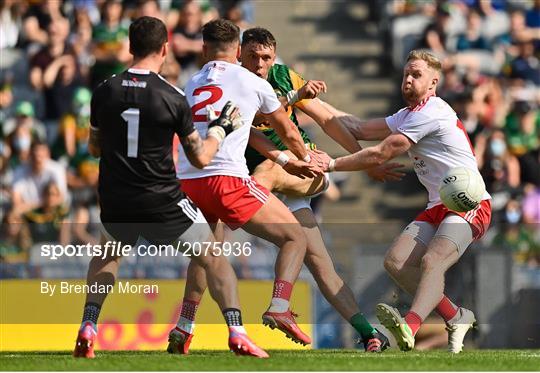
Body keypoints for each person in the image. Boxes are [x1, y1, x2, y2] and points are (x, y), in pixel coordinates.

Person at [173, 27, 400, 353]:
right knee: (315, 261)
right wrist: (293, 105)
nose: (261, 64)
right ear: (240, 53)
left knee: (258, 184)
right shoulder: (235, 82)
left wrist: (364, 161)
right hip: (260, 174)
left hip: (298, 172)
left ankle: (263, 309)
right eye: (254, 57)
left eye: (267, 57)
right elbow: (253, 130)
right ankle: (368, 333)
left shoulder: (280, 76)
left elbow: (327, 120)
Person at [74, 16, 268, 359]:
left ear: (130, 48)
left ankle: (88, 326)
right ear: (165, 49)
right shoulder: (172, 97)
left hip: (116, 198)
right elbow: (201, 157)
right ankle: (237, 332)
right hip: (161, 199)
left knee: (107, 256)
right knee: (213, 257)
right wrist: (221, 128)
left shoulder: (104, 90)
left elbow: (93, 149)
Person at [316, 50, 492, 353]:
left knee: (431, 261)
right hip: (438, 205)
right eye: (406, 74)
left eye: (416, 75)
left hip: (469, 202)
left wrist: (330, 164)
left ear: (434, 82)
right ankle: (456, 316)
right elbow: (356, 127)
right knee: (396, 263)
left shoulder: (431, 111)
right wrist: (307, 101)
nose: (408, 80)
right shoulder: (407, 114)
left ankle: (409, 327)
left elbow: (381, 152)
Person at [176, 19, 321, 349]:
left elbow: (248, 130)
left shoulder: (191, 82)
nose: (259, 65)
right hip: (225, 179)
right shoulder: (251, 81)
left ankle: (184, 326)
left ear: (203, 49)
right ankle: (280, 307)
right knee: (294, 236)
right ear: (239, 52)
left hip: (187, 182)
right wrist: (305, 158)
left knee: (207, 254)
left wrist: (284, 161)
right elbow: (286, 129)